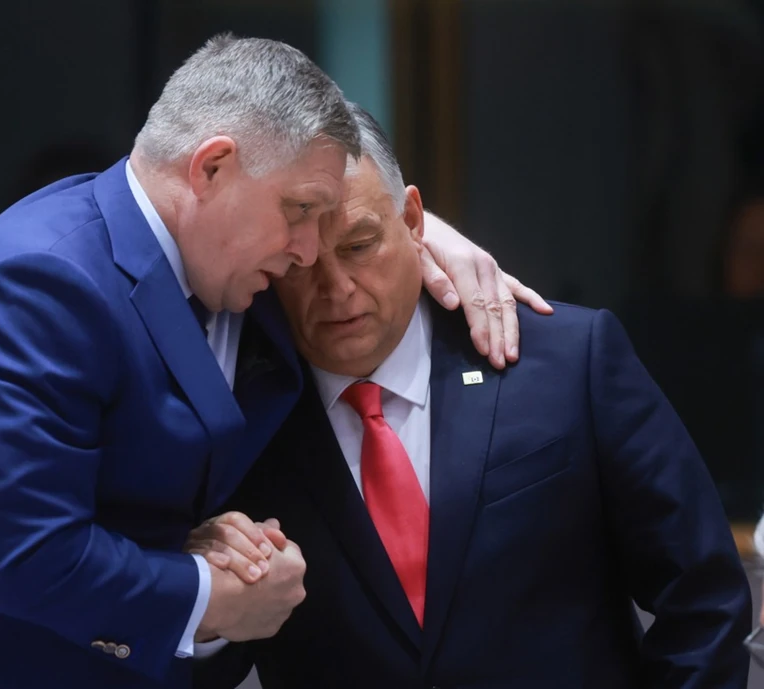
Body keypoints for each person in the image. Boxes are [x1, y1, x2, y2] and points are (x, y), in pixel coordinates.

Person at [0, 36, 547, 689]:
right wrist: (211, 595)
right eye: (299, 211)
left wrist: (427, 239)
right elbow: (23, 553)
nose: (308, 253)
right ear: (212, 168)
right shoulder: (41, 280)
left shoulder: (239, 266)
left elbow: (356, 220)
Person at [188, 104, 752, 688]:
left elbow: (703, 598)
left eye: (359, 245)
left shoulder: (566, 361)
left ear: (413, 221)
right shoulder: (240, 417)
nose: (338, 288)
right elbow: (202, 661)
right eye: (302, 264)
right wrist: (208, 602)